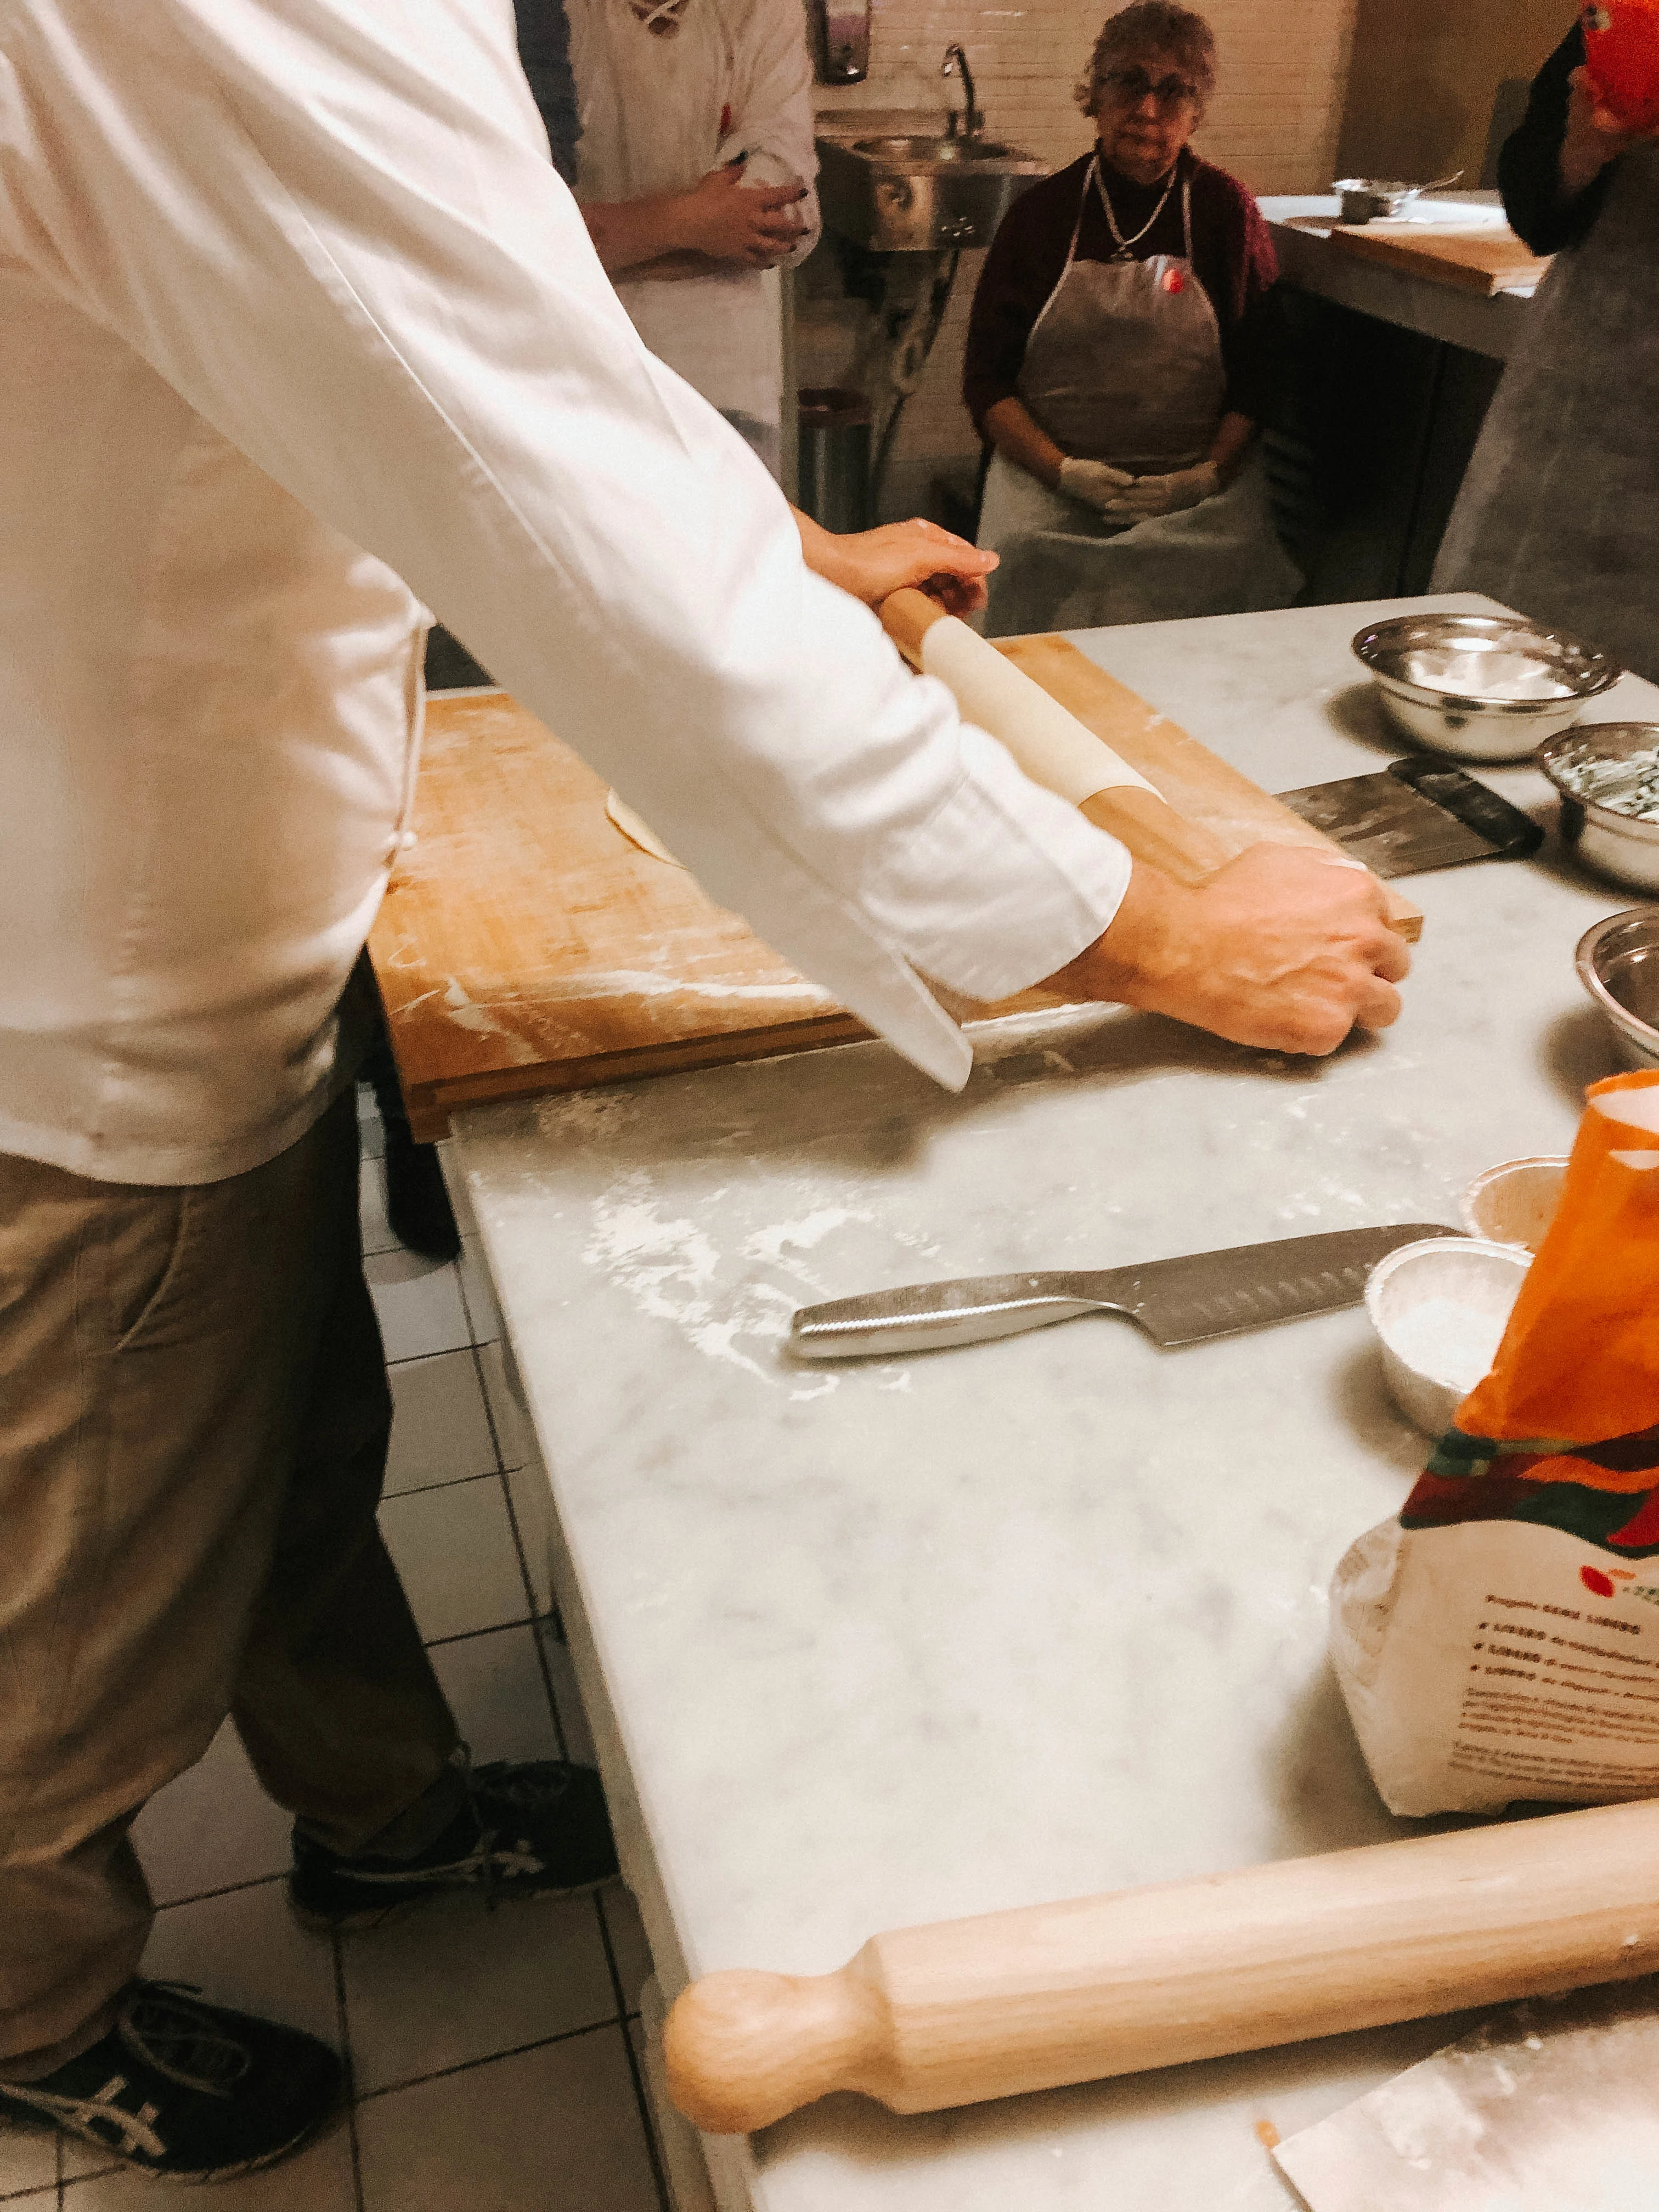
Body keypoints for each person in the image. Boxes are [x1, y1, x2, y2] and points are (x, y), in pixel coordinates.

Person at [0, 0, 1407, 2183]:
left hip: (198, 915)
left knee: (280, 1452)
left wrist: (790, 560)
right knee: (72, 1600)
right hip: (69, 1000)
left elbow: (456, 347)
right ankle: (34, 2016)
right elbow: (515, 447)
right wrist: (1133, 930)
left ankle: (384, 1820)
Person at [962, 0, 1301, 639]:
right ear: (1093, 93)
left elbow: (1259, 379)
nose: (1147, 110)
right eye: (1128, 81)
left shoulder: (1227, 214)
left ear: (1197, 110)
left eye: (1173, 91)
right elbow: (987, 384)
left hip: (1198, 508)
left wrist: (1204, 479)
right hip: (1046, 501)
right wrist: (1063, 472)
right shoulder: (1041, 217)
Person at [1431, 20, 1659, 680]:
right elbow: (1533, 202)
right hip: (1581, 413)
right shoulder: (1629, 15)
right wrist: (1577, 154)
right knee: (1502, 671)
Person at [566, 0, 818, 476]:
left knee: (746, 545)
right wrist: (692, 224)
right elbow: (521, 232)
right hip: (577, 377)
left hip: (726, 389)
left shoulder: (762, 10)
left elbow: (788, 215)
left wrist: (615, 240)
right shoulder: (544, 15)